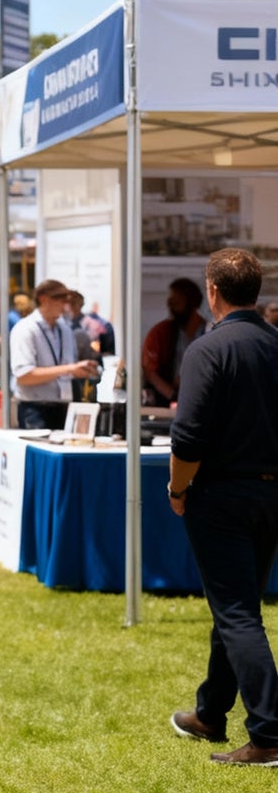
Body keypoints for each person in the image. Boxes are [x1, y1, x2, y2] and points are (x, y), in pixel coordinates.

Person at [166, 248, 278, 766]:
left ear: (212, 290)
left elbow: (187, 439)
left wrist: (177, 489)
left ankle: (269, 733)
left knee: (236, 613)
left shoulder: (208, 350)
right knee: (234, 606)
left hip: (223, 494)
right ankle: (211, 712)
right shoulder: (273, 343)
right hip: (269, 493)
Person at [9, 278, 99, 430]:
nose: (65, 305)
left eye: (67, 300)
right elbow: (24, 375)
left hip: (64, 406)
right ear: (43, 299)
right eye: (61, 300)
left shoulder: (65, 329)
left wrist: (80, 370)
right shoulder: (25, 329)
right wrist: (69, 369)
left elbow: (67, 367)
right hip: (35, 409)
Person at [142, 277, 207, 406]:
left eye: (177, 301)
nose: (171, 305)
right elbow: (150, 372)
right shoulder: (160, 332)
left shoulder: (209, 331)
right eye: (171, 301)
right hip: (167, 402)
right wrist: (173, 396)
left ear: (192, 302)